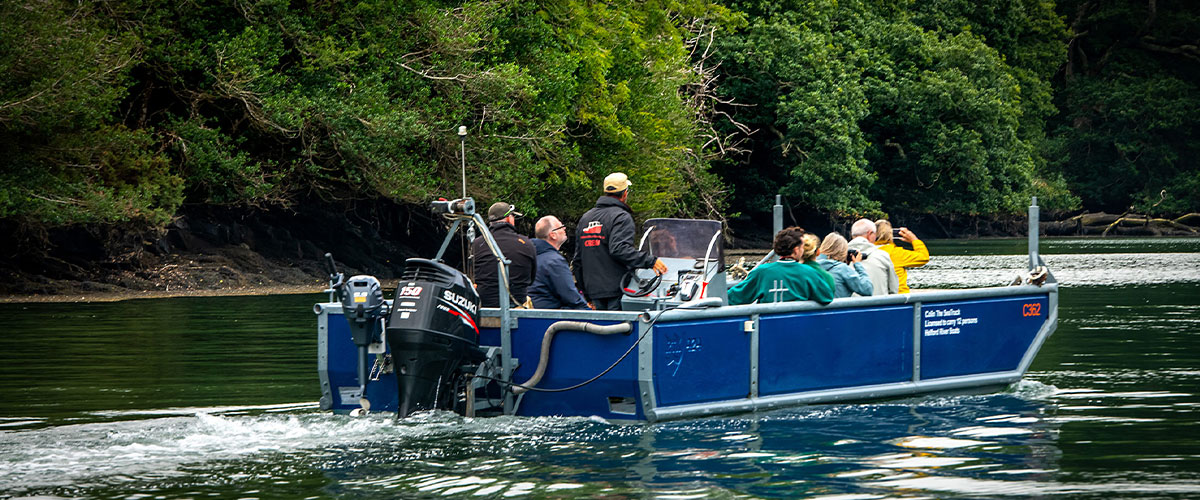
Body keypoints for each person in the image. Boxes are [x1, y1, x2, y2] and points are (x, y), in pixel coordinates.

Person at [571, 172, 668, 310]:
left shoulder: (586, 218)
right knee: (618, 329)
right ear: (625, 194)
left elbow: (577, 260)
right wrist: (650, 261)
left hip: (593, 292)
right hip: (617, 292)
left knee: (599, 330)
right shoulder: (621, 217)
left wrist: (586, 293)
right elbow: (619, 249)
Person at [727, 227, 834, 306]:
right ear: (796, 250)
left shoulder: (762, 272)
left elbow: (734, 297)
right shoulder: (809, 272)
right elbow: (827, 297)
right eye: (802, 247)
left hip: (767, 329)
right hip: (799, 328)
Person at [472, 202, 537, 308]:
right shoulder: (526, 244)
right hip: (517, 306)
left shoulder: (477, 244)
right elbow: (531, 279)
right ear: (509, 219)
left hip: (485, 306)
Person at [528, 215, 589, 309]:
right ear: (553, 235)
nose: (564, 228)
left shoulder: (530, 256)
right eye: (561, 227)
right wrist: (588, 312)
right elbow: (571, 297)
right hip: (551, 316)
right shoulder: (554, 261)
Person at [874, 219, 929, 294]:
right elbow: (924, 257)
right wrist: (914, 239)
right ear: (891, 234)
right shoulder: (897, 253)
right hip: (899, 297)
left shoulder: (866, 252)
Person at [847, 218, 899, 295]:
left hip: (848, 306)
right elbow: (894, 289)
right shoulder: (883, 256)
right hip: (879, 305)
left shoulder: (839, 256)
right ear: (869, 234)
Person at [816, 232, 874, 298]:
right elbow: (867, 289)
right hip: (838, 307)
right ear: (843, 252)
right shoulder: (842, 269)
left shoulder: (811, 266)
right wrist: (858, 264)